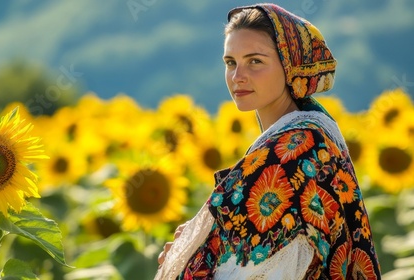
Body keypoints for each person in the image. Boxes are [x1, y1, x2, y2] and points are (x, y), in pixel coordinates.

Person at [155, 3, 381, 279]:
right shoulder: (301, 132)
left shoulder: (297, 147)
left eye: (255, 61)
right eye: (230, 63)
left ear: (290, 65)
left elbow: (268, 266)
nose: (238, 77)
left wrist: (190, 251)